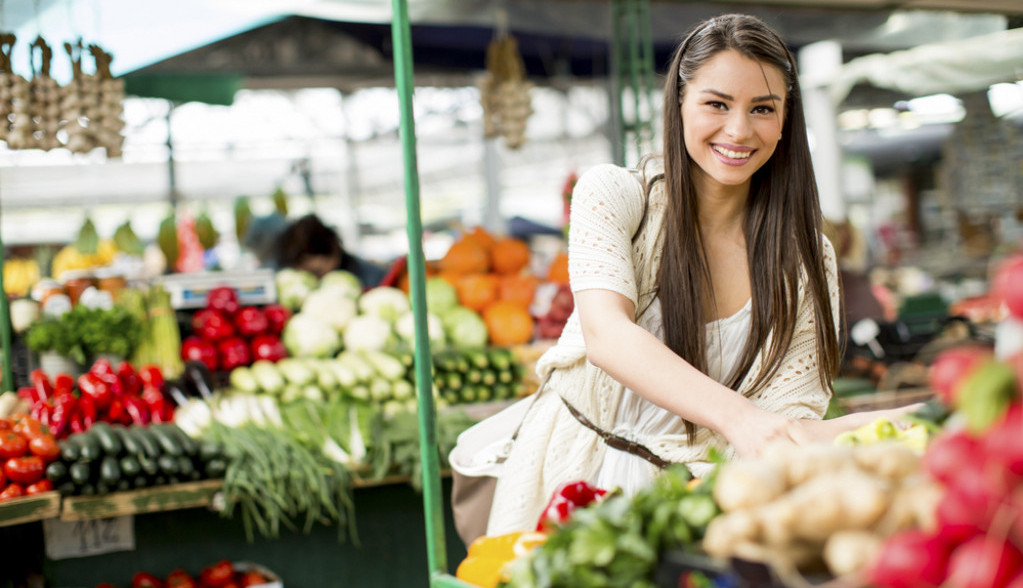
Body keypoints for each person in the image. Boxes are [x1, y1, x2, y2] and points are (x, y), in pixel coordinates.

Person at [479, 14, 917, 538]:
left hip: (693, 500)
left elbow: (787, 421)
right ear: (680, 102)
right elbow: (607, 336)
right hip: (570, 480)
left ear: (785, 120)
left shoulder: (805, 257)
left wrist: (923, 419)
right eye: (716, 103)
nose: (738, 130)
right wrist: (741, 419)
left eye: (762, 109)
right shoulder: (615, 196)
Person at [273, 214, 387, 287]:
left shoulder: (373, 279)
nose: (312, 280)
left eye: (316, 271)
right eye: (303, 273)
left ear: (334, 252)